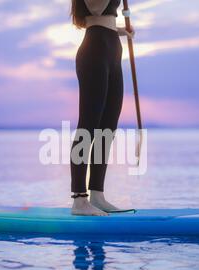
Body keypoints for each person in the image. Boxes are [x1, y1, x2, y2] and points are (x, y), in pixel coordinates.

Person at [70, 0, 135, 216]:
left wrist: (120, 30)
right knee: (88, 127)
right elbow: (95, 8)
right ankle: (79, 200)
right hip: (94, 51)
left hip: (112, 50)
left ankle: (97, 195)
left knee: (107, 129)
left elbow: (102, 17)